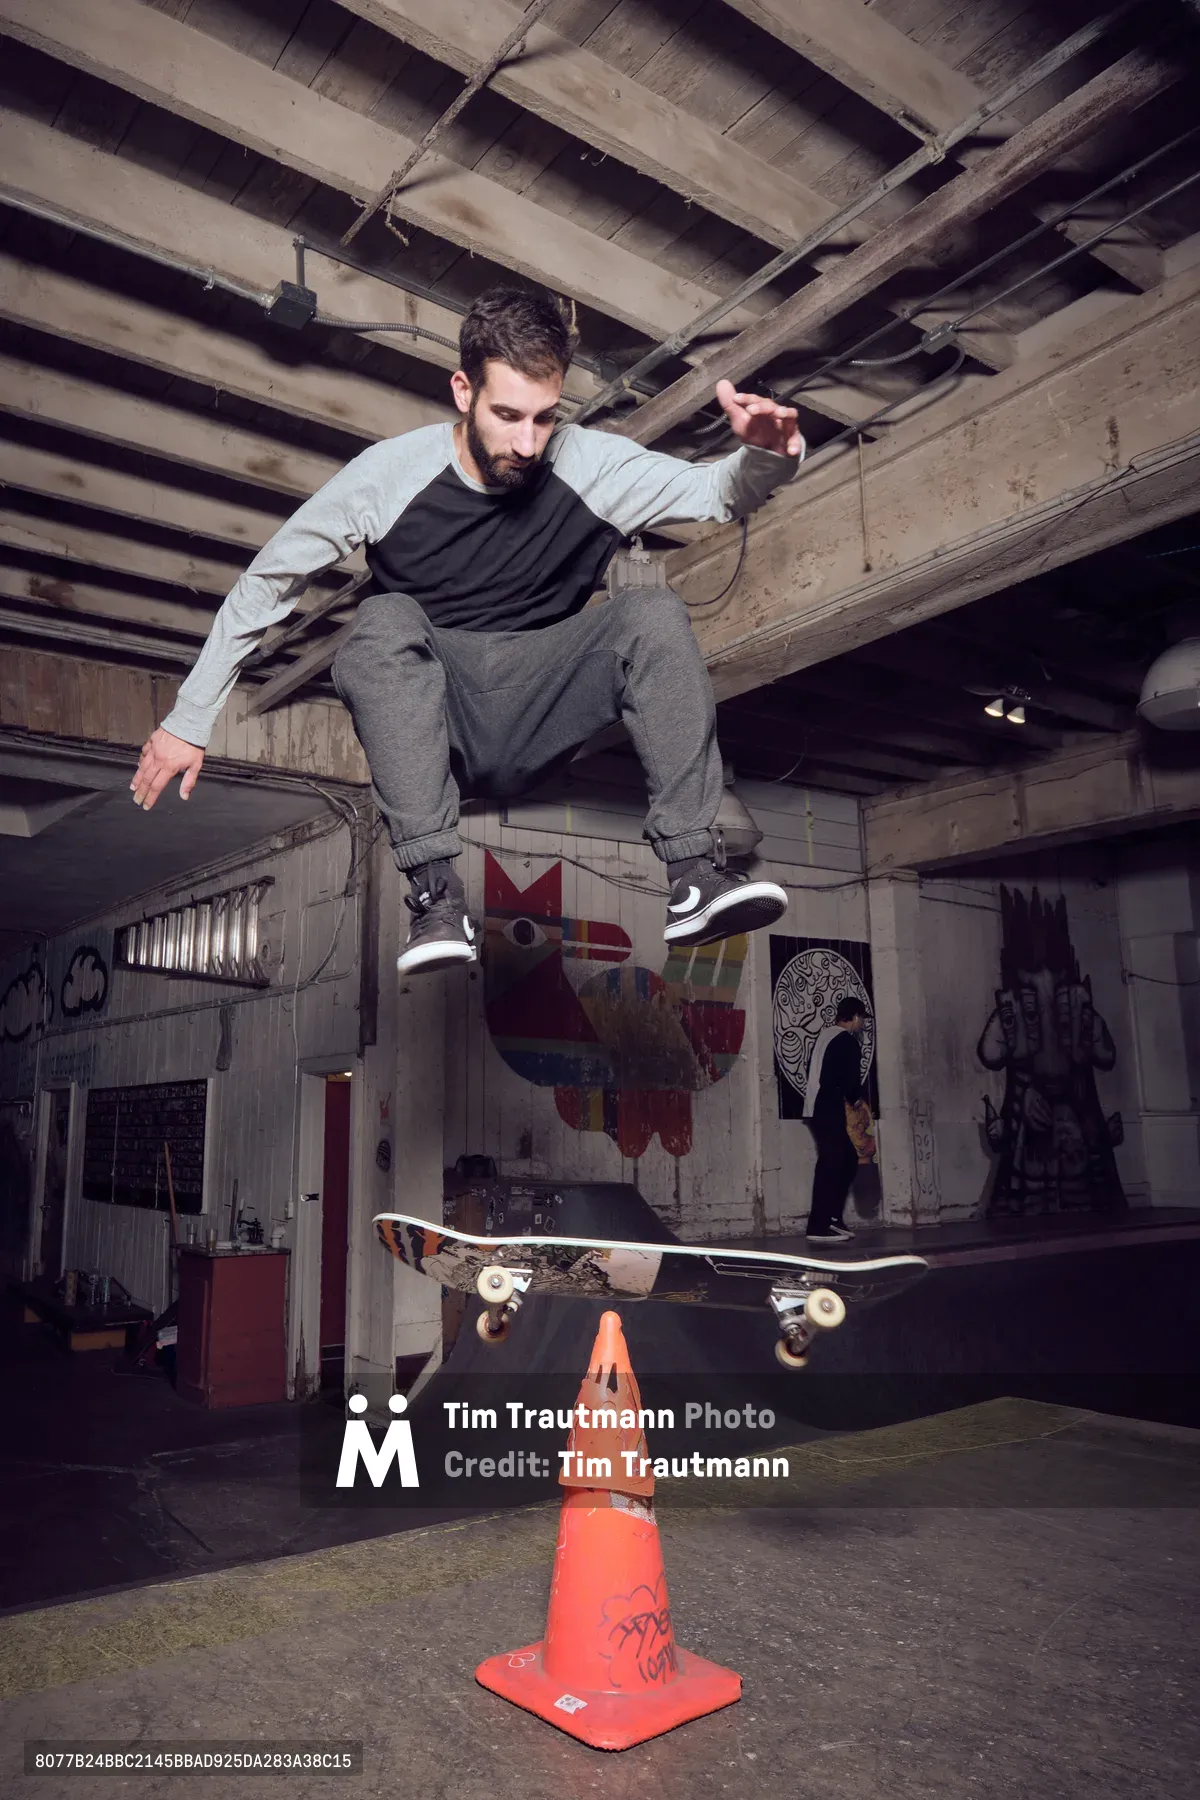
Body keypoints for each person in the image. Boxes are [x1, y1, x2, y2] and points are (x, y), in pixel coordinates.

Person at [130, 288, 803, 975]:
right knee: (383, 620)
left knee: (651, 612)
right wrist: (191, 717)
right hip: (440, 717)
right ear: (463, 391)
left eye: (544, 418)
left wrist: (771, 454)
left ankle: (693, 875)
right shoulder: (388, 477)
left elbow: (720, 492)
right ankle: (435, 895)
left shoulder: (591, 466)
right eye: (507, 415)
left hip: (542, 704)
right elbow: (270, 581)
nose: (527, 443)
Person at [804, 995, 868, 1243]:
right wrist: (857, 1100)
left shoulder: (825, 1036)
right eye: (862, 1019)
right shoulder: (846, 1041)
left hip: (817, 1108)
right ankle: (819, 1227)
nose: (862, 1024)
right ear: (855, 1017)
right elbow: (849, 1079)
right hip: (828, 1107)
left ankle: (831, 1218)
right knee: (832, 1165)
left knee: (846, 1160)